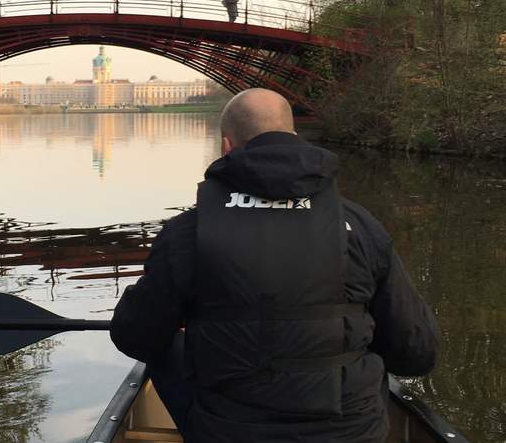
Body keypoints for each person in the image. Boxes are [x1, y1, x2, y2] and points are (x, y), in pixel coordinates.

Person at [110, 88, 439, 443]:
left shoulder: (189, 232)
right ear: (295, 138)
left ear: (226, 146)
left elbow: (134, 337)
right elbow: (416, 353)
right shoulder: (360, 225)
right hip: (352, 432)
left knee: (163, 344)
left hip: (230, 432)